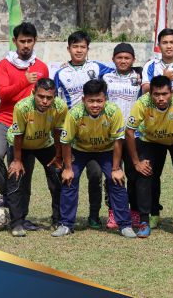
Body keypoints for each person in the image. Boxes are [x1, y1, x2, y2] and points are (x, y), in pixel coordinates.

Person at [52, 80, 134, 238]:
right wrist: (68, 169)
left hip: (107, 150)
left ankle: (125, 225)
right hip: (80, 150)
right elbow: (66, 142)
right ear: (84, 100)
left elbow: (118, 141)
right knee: (69, 179)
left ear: (105, 99)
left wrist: (116, 169)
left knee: (116, 180)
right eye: (90, 101)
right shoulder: (74, 113)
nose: (95, 105)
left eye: (99, 101)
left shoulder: (113, 112)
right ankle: (65, 224)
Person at [54, 30, 114, 229]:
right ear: (68, 49)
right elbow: (56, 101)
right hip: (73, 133)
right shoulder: (61, 73)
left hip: (97, 131)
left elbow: (122, 69)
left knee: (95, 175)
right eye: (75, 46)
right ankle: (64, 219)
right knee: (69, 176)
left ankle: (94, 215)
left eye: (82, 47)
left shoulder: (97, 68)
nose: (79, 50)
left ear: (88, 49)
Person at [0, 22, 49, 213]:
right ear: (15, 41)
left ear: (35, 41)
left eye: (30, 41)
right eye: (22, 41)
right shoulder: (3, 65)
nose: (26, 45)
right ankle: (8, 194)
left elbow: (44, 98)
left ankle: (21, 215)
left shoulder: (41, 67)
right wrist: (25, 80)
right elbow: (4, 95)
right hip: (5, 120)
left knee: (25, 171)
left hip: (29, 126)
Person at [125, 75, 173, 238]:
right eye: (156, 94)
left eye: (164, 94)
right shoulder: (143, 102)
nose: (161, 98)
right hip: (150, 140)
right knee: (145, 173)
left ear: (171, 92)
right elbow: (129, 130)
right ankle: (145, 220)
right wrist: (136, 162)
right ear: (150, 93)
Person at [5, 78, 66, 236]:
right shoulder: (22, 107)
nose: (45, 101)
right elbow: (18, 135)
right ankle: (17, 223)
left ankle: (58, 219)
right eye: (41, 96)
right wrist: (17, 161)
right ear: (34, 93)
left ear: (54, 97)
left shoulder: (60, 106)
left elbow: (58, 132)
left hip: (44, 144)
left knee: (57, 177)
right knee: (17, 179)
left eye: (49, 98)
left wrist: (58, 156)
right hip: (20, 145)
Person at [101, 43, 143, 229]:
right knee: (113, 175)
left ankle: (134, 213)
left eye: (127, 58)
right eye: (120, 57)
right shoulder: (106, 77)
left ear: (133, 60)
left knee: (134, 176)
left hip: (135, 135)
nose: (123, 61)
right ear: (113, 59)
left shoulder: (140, 77)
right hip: (112, 136)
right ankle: (113, 213)